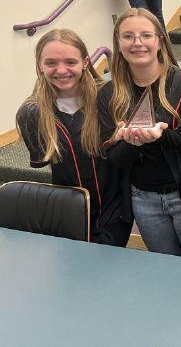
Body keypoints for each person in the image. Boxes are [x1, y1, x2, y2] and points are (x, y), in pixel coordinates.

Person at [98, 8, 181, 260]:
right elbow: (112, 157)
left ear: (160, 40)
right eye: (128, 36)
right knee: (164, 268)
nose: (137, 42)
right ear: (118, 43)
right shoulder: (109, 94)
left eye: (146, 35)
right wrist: (131, 143)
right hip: (143, 199)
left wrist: (163, 136)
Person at [16, 29, 131, 246]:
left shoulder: (110, 97)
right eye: (51, 63)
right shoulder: (31, 113)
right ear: (40, 65)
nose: (61, 70)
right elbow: (43, 160)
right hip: (67, 211)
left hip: (114, 208)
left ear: (85, 62)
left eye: (70, 62)